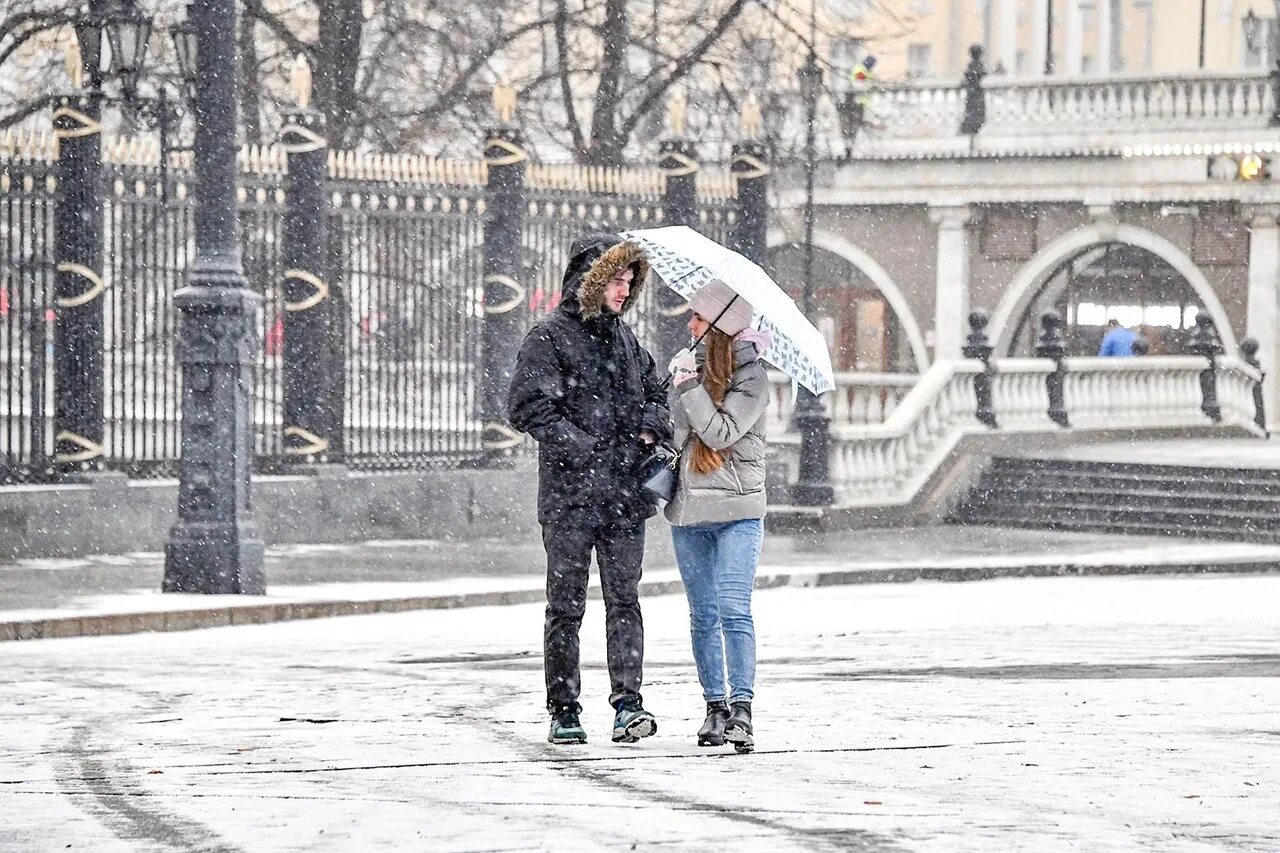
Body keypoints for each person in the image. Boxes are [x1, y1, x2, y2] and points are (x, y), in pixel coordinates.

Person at [507, 233, 672, 746]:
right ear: (593, 281)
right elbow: (526, 406)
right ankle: (564, 708)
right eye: (617, 281)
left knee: (626, 601)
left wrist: (650, 423)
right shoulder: (549, 337)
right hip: (570, 499)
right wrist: (583, 449)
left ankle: (628, 703)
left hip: (625, 498)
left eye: (630, 281)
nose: (624, 291)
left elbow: (657, 391)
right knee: (566, 605)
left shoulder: (625, 340)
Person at [665, 279, 772, 754]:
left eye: (699, 318)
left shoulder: (753, 380)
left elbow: (720, 432)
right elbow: (679, 435)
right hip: (690, 510)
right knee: (703, 614)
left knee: (733, 610)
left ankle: (742, 709)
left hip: (737, 511)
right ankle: (714, 707)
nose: (690, 325)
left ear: (721, 328)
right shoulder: (692, 368)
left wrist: (689, 388)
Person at [839, 54, 878, 161]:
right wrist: (870, 86)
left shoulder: (863, 70)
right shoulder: (861, 70)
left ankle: (853, 148)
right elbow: (859, 85)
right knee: (858, 127)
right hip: (858, 103)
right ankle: (854, 148)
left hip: (860, 102)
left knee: (858, 127)